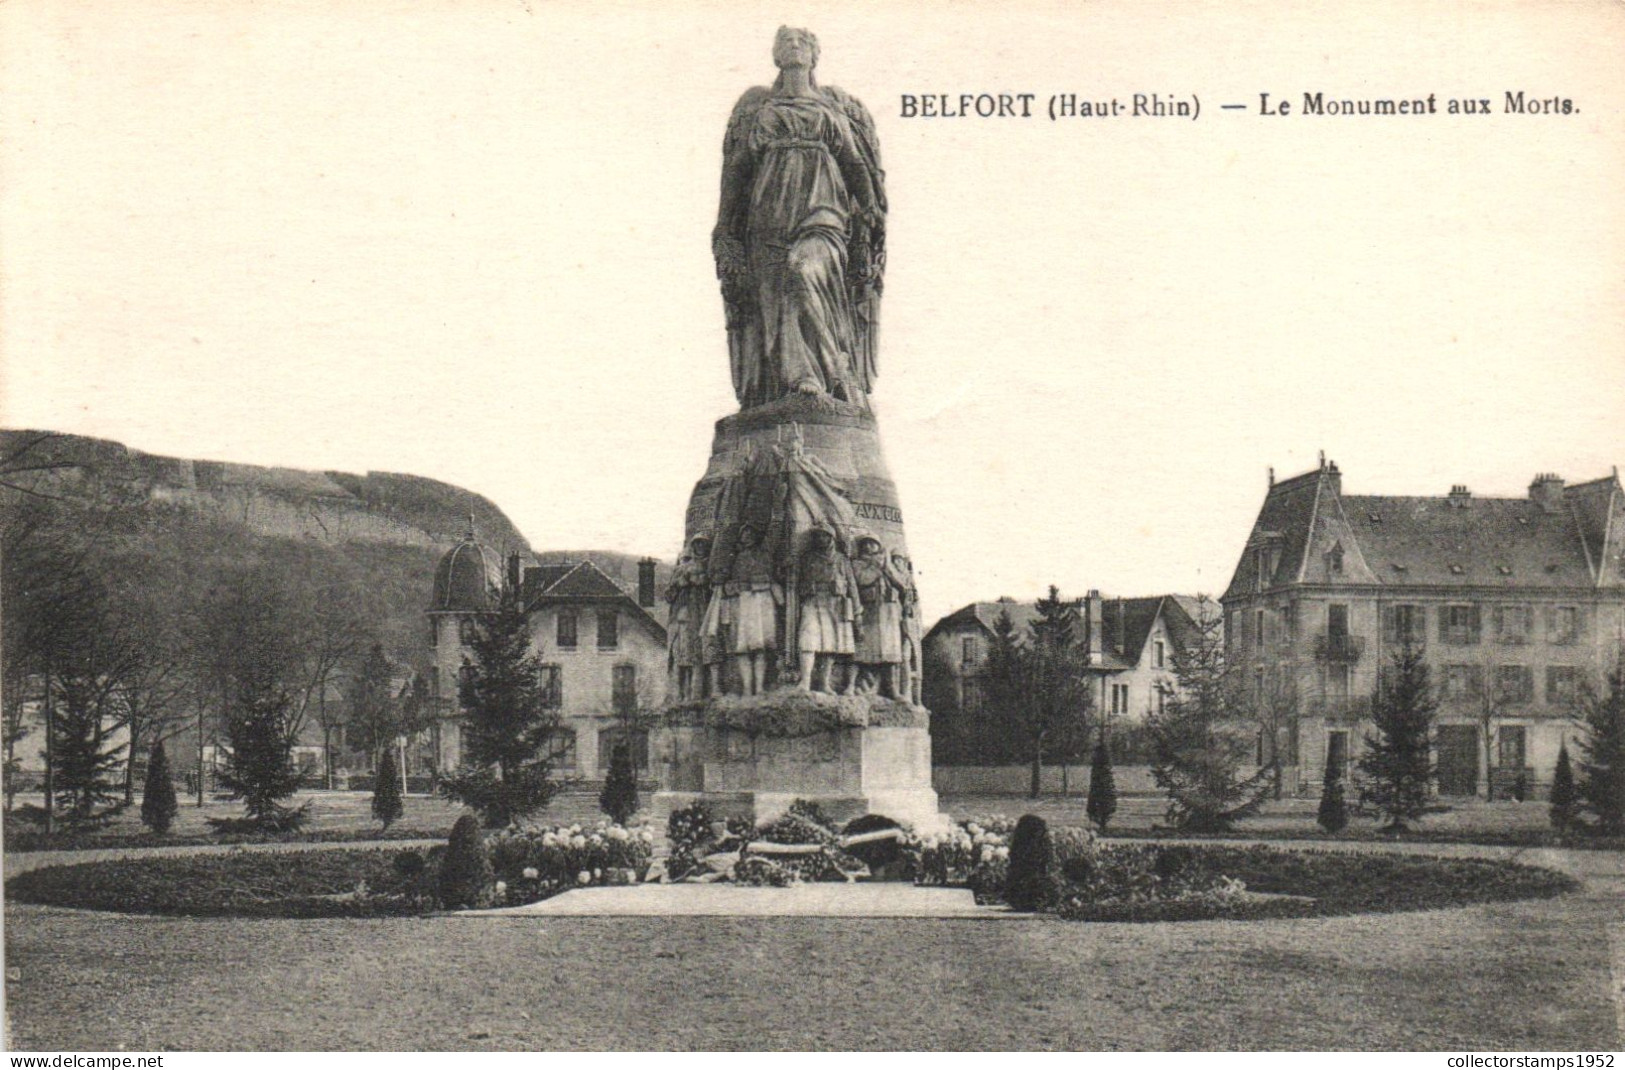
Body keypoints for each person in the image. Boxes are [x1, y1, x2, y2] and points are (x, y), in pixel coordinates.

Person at [713, 26, 886, 409]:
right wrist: (725, 228)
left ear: (813, 56)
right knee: (773, 298)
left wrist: (871, 211)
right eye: (786, 42)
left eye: (802, 42)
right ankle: (797, 379)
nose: (794, 46)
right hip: (767, 216)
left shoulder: (829, 111)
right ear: (777, 55)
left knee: (802, 271)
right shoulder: (762, 111)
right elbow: (738, 171)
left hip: (821, 212)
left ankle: (830, 369)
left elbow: (855, 164)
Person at [794, 526, 858, 693]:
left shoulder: (841, 560)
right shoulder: (808, 558)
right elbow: (796, 580)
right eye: (818, 536)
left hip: (835, 602)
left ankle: (824, 683)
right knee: (808, 640)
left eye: (824, 536)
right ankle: (805, 681)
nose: (820, 539)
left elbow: (852, 585)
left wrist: (857, 609)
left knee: (831, 644)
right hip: (813, 601)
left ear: (831, 538)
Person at [725, 523, 783, 696]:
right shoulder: (734, 558)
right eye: (744, 534)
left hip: (762, 602)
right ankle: (747, 688)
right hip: (742, 603)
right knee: (742, 648)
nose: (747, 537)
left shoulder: (764, 554)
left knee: (761, 647)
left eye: (751, 534)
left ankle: (758, 687)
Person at [851, 535, 906, 698]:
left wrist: (887, 566)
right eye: (865, 544)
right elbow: (863, 579)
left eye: (872, 543)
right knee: (867, 650)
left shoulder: (885, 561)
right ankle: (862, 686)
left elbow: (899, 582)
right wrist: (878, 565)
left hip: (889, 611)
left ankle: (891, 689)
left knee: (890, 651)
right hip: (870, 610)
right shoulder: (857, 563)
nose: (869, 546)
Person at [664, 537, 713, 700]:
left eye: (703, 544)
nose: (699, 547)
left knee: (698, 658)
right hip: (683, 617)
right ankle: (679, 696)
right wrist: (679, 583)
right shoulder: (681, 570)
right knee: (681, 659)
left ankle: (695, 696)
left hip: (703, 616)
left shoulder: (709, 567)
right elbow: (669, 595)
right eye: (696, 544)